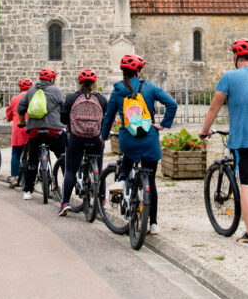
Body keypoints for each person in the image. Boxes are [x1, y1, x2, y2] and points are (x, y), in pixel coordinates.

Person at [199, 38, 248, 246]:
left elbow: (213, 108)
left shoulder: (229, 77)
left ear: (235, 56)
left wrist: (204, 131)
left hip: (245, 139)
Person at [100, 54, 177, 235]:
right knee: (150, 181)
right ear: (139, 71)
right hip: (149, 138)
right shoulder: (149, 87)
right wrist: (164, 124)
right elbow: (172, 104)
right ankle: (154, 224)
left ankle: (121, 179)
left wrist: (103, 136)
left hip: (128, 140)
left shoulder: (118, 90)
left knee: (129, 153)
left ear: (123, 72)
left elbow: (109, 116)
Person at [57, 69, 108, 216]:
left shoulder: (71, 98)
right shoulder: (101, 99)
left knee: (71, 170)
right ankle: (102, 201)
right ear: (94, 83)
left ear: (80, 83)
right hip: (95, 138)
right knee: (99, 168)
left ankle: (65, 202)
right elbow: (105, 118)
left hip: (76, 137)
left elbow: (64, 119)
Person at [16, 67, 67, 201]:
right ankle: (68, 185)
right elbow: (64, 108)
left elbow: (21, 107)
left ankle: (28, 191)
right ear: (51, 79)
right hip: (53, 129)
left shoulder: (31, 90)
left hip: (34, 130)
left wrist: (22, 123)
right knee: (63, 156)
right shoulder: (56, 90)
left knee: (32, 160)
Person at [4, 77, 33, 188]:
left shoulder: (14, 99)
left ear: (20, 88)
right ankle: (33, 175)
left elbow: (9, 116)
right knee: (33, 153)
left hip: (18, 130)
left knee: (16, 153)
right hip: (30, 128)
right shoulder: (33, 97)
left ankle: (15, 176)